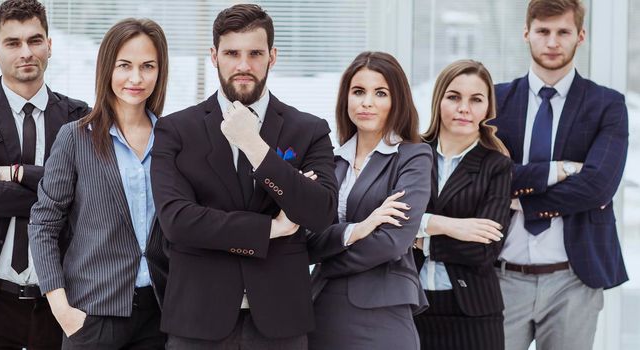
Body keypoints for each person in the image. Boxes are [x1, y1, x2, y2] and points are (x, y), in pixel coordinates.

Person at [151, 3, 337, 349]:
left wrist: (255, 146)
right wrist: (271, 228)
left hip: (281, 321)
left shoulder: (308, 130)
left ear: (272, 56)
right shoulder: (175, 130)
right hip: (198, 319)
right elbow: (177, 221)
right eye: (232, 53)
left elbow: (320, 212)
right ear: (214, 55)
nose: (243, 65)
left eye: (255, 53)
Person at [0, 1, 89, 348]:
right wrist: (57, 193)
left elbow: (85, 195)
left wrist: (17, 173)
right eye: (12, 43)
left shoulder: (79, 118)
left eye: (35, 40)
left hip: (60, 299)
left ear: (49, 46)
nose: (26, 52)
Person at [491, 1, 629, 349]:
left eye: (563, 32)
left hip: (573, 279)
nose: (552, 42)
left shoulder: (606, 104)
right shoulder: (494, 100)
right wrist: (562, 170)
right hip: (500, 275)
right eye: (543, 31)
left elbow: (598, 186)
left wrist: (525, 203)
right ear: (527, 34)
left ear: (580, 36)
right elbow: (487, 178)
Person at [28, 18, 169, 350]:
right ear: (107, 68)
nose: (136, 78)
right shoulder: (75, 138)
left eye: (148, 66)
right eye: (125, 65)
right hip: (92, 314)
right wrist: (62, 310)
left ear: (160, 71)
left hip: (160, 313)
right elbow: (43, 225)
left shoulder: (174, 140)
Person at [305, 51, 432, 350]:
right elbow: (307, 239)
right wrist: (357, 229)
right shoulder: (331, 161)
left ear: (396, 100)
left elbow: (393, 242)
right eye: (359, 91)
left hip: (382, 311)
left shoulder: (413, 157)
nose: (367, 102)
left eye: (380, 93)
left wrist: (328, 257)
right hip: (322, 307)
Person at [412, 59, 513, 350]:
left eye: (476, 99)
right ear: (438, 100)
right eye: (454, 97)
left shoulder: (497, 165)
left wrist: (420, 240)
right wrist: (452, 228)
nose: (464, 108)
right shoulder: (412, 154)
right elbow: (391, 223)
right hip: (410, 308)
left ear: (487, 109)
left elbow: (484, 250)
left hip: (473, 315)